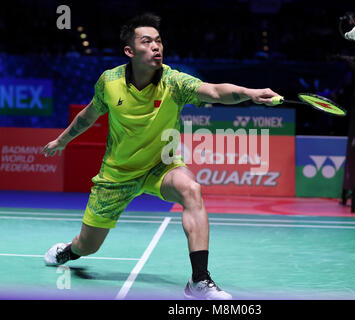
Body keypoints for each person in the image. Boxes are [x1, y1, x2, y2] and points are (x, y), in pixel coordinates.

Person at [42, 13, 280, 300]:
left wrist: (250, 93)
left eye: (158, 41)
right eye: (147, 41)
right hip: (117, 175)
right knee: (87, 246)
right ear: (130, 51)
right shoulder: (109, 82)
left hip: (161, 166)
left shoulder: (174, 82)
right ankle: (69, 251)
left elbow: (215, 91)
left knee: (191, 190)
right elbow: (88, 116)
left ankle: (200, 281)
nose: (156, 46)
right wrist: (61, 140)